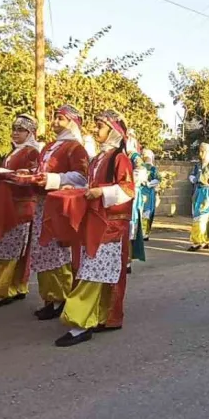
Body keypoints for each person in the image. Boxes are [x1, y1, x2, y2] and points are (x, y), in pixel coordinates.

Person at [55, 110, 135, 347]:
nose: (95, 129)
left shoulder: (120, 159)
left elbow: (128, 190)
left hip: (111, 224)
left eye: (100, 125)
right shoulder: (98, 158)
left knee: (93, 272)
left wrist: (102, 192)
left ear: (113, 131)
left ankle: (80, 322)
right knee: (94, 271)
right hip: (96, 220)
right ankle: (100, 316)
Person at [16, 105, 89, 321]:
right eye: (54, 118)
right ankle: (49, 298)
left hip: (59, 206)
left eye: (61, 119)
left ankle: (62, 297)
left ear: (73, 122)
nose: (55, 122)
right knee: (42, 251)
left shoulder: (76, 148)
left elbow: (82, 177)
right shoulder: (48, 146)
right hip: (41, 204)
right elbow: (41, 170)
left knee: (57, 251)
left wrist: (53, 179)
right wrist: (29, 174)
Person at [0, 114, 43, 308]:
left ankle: (3, 290)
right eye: (14, 129)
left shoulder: (32, 153)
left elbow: (32, 178)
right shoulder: (14, 152)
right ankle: (14, 286)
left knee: (12, 249)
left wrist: (7, 176)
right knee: (9, 248)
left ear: (30, 133)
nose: (15, 133)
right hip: (8, 204)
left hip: (21, 206)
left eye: (20, 130)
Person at [125, 130, 147, 273]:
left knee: (129, 227)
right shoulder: (120, 155)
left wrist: (127, 181)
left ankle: (127, 261)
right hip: (123, 193)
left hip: (130, 194)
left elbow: (141, 172)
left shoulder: (134, 157)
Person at [139, 149, 160, 240]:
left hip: (149, 192)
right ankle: (141, 232)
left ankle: (145, 233)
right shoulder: (140, 167)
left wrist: (148, 183)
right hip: (141, 191)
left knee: (147, 212)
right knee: (141, 211)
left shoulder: (153, 169)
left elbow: (157, 179)